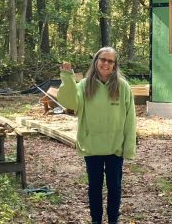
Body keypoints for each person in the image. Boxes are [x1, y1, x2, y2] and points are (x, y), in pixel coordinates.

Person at [57, 47, 136, 223]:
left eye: (110, 61)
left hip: (115, 146)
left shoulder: (123, 87)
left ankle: (113, 220)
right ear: (96, 61)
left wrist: (129, 147)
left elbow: (131, 119)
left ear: (115, 66)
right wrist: (67, 77)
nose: (106, 64)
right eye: (103, 59)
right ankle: (96, 220)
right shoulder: (85, 85)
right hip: (92, 146)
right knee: (94, 187)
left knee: (114, 187)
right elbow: (69, 102)